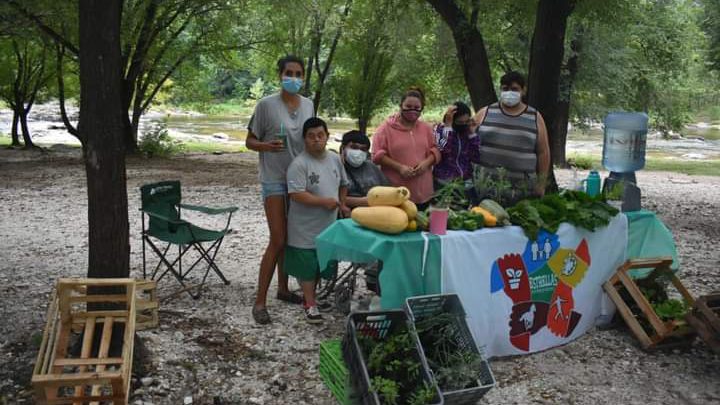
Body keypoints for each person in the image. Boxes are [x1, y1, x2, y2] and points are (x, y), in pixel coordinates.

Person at [245, 55, 314, 324]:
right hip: (274, 178)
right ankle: (259, 303)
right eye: (289, 73)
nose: (293, 78)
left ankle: (283, 289)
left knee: (292, 236)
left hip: (300, 179)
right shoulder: (266, 105)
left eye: (298, 73)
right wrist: (265, 146)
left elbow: (312, 136)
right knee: (277, 239)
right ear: (280, 75)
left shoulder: (308, 104)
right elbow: (249, 141)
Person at [284, 117, 349, 323]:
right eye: (311, 136)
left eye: (320, 135)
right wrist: (323, 202)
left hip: (328, 224)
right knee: (306, 265)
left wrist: (343, 203)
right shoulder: (299, 164)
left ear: (328, 137)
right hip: (303, 227)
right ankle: (310, 304)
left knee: (323, 262)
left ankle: (314, 299)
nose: (316, 140)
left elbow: (344, 184)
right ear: (304, 139)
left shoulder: (334, 159)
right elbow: (296, 194)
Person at [471, 71, 551, 206]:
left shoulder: (535, 117)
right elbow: (467, 142)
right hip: (485, 192)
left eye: (514, 89)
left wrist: (541, 184)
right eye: (505, 89)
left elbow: (543, 152)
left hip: (523, 193)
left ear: (523, 91)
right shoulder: (484, 113)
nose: (509, 93)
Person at [371, 87, 441, 211]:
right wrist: (399, 167)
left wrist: (426, 163)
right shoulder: (385, 129)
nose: (412, 110)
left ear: (422, 108)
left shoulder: (426, 128)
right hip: (397, 193)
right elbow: (377, 155)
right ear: (401, 105)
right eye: (408, 106)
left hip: (424, 192)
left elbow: (435, 150)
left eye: (416, 107)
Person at [433, 101, 483, 205]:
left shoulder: (467, 132)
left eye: (466, 122)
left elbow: (476, 157)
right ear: (452, 120)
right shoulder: (440, 130)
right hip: (445, 183)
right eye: (460, 123)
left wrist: (472, 134)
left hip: (465, 181)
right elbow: (444, 149)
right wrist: (448, 127)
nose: (463, 125)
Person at [339, 130, 390, 208]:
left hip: (374, 214)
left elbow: (387, 190)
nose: (358, 152)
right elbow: (330, 197)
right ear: (343, 148)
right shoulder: (335, 168)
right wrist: (362, 202)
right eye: (354, 147)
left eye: (363, 149)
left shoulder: (372, 167)